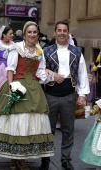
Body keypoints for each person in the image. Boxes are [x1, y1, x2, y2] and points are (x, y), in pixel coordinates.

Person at [0, 21, 54, 170]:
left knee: (30, 124)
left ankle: (23, 158)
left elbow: (40, 71)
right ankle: (14, 158)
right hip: (18, 85)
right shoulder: (17, 48)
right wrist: (10, 87)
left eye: (35, 32)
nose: (32, 35)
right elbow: (10, 69)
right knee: (15, 123)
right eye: (29, 32)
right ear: (25, 34)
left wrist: (49, 77)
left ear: (37, 34)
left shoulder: (39, 50)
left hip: (34, 88)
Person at [40, 20, 90, 170]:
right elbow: (39, 72)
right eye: (59, 30)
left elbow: (82, 74)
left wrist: (82, 95)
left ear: (68, 33)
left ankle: (66, 159)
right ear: (54, 33)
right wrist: (52, 76)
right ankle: (45, 160)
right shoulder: (46, 51)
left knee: (68, 129)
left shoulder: (77, 51)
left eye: (65, 30)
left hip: (69, 95)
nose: (62, 33)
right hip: (50, 95)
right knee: (48, 130)